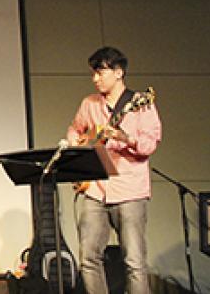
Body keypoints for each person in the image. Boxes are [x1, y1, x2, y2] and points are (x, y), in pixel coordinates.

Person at [66, 47, 161, 294]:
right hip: (95, 188)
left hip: (129, 189)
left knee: (134, 261)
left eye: (100, 73)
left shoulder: (140, 104)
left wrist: (125, 138)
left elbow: (150, 144)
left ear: (118, 73)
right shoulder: (89, 103)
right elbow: (75, 129)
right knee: (88, 258)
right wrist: (77, 144)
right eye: (93, 74)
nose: (95, 79)